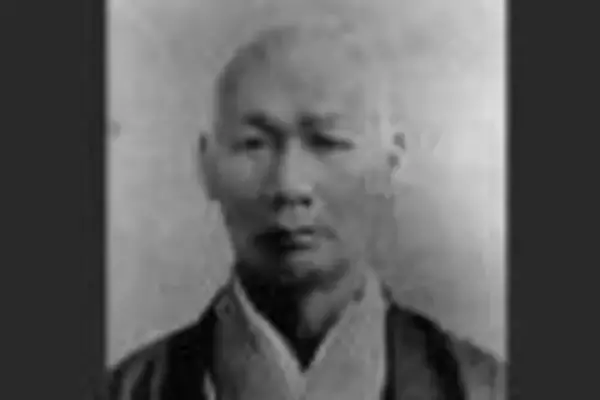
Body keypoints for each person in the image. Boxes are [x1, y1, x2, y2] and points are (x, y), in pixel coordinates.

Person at [103, 23, 506, 400]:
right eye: (253, 144)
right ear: (206, 166)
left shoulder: (484, 387)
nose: (289, 186)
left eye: (327, 142)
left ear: (390, 163)